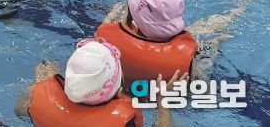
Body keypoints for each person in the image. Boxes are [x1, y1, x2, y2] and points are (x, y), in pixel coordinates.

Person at [97, 0, 260, 88]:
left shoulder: (103, 41)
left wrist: (107, 23)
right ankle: (240, 8)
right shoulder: (188, 61)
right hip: (194, 68)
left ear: (133, 25)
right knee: (213, 38)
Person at [14, 38, 182, 126]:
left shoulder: (38, 98)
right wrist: (162, 102)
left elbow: (19, 111)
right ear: (118, 89)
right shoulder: (124, 121)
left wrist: (39, 85)